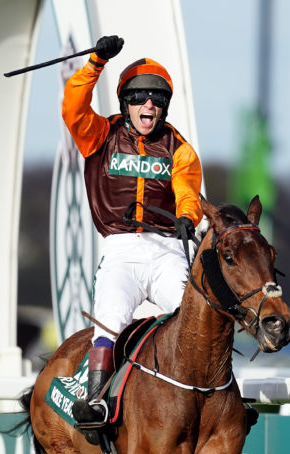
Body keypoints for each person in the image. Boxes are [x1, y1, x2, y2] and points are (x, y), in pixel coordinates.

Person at [62, 35, 203, 425]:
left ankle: (216, 401)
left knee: (193, 317)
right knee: (110, 315)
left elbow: (187, 191)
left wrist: (188, 217)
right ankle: (95, 401)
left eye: (157, 100)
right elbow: (72, 107)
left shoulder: (179, 148)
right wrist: (95, 63)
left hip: (167, 251)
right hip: (121, 251)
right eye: (140, 97)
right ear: (125, 102)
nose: (149, 105)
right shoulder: (99, 134)